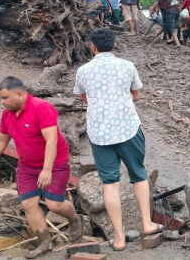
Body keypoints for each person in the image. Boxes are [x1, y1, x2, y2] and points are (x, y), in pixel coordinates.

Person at [73, 29, 162, 251]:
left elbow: (84, 97)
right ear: (113, 45)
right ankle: (147, 223)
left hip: (100, 133)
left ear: (93, 47)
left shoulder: (83, 71)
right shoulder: (127, 66)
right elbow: (136, 94)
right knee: (138, 174)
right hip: (128, 127)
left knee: (109, 183)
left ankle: (119, 237)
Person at [0, 77, 82, 258]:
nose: (2, 103)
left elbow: (51, 140)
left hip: (55, 164)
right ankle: (44, 242)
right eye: (0, 99)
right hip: (26, 166)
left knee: (54, 204)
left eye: (5, 98)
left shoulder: (42, 108)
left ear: (20, 93)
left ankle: (74, 219)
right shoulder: (7, 115)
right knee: (28, 203)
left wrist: (47, 169)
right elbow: (1, 140)